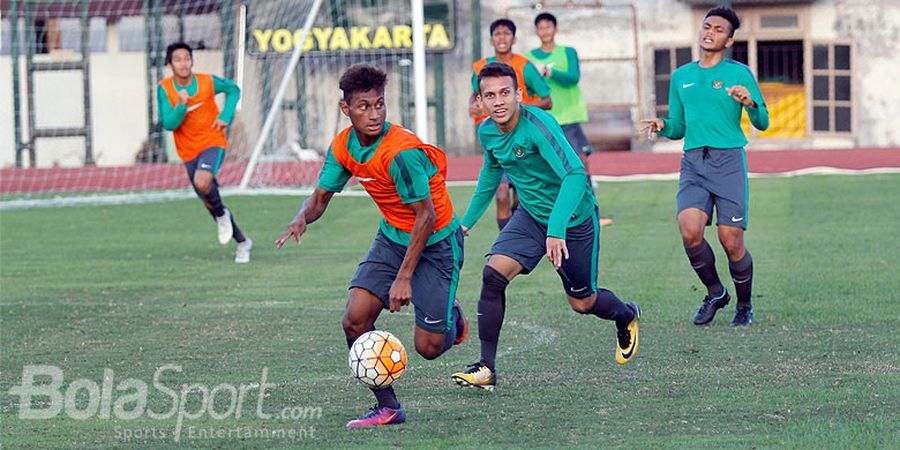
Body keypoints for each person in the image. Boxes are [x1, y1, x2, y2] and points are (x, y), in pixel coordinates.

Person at [275, 64, 468, 426]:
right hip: (393, 238)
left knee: (429, 348)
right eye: (364, 106)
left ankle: (453, 321)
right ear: (345, 109)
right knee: (354, 320)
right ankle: (389, 407)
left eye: (380, 104)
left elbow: (425, 217)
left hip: (438, 242)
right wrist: (302, 216)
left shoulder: (401, 152)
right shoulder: (343, 146)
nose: (374, 113)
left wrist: (404, 278)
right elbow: (320, 197)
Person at [451, 63, 640, 391]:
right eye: (489, 95)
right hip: (531, 217)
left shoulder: (539, 125)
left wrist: (557, 229)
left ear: (518, 95)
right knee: (493, 275)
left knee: (582, 302)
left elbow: (576, 175)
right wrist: (466, 222)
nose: (498, 101)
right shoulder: (487, 131)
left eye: (505, 93)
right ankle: (486, 367)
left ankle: (626, 315)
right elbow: (491, 172)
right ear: (479, 101)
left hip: (573, 220)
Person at [640, 7, 768, 327]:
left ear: (729, 40)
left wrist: (749, 103)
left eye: (719, 29)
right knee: (689, 230)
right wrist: (662, 125)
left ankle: (744, 305)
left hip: (728, 162)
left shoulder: (739, 73)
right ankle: (715, 293)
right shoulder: (682, 76)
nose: (710, 32)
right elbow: (679, 127)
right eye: (706, 26)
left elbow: (763, 122)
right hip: (694, 163)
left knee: (730, 240)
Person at [158, 42, 252, 263]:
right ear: (170, 64)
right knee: (209, 199)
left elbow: (233, 90)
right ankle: (242, 242)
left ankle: (223, 217)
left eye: (187, 58)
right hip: (188, 152)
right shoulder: (164, 89)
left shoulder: (206, 82)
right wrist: (181, 105)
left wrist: (225, 116)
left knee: (202, 183)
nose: (183, 63)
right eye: (178, 59)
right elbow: (169, 124)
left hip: (212, 141)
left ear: (192, 61)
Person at [527, 12, 613, 228]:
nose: (545, 31)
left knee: (582, 165)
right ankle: (551, 214)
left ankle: (593, 213)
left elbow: (573, 78)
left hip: (570, 117)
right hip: (545, 120)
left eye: (548, 27)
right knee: (548, 169)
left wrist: (548, 71)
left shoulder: (568, 52)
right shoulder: (529, 58)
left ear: (556, 30)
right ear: (537, 31)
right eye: (541, 28)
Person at [470, 18, 552, 231]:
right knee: (501, 193)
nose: (502, 38)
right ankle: (507, 240)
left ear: (514, 38)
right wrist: (472, 106)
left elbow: (547, 100)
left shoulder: (524, 66)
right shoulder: (480, 67)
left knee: (521, 197)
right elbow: (474, 96)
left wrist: (517, 107)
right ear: (491, 39)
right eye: (498, 34)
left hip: (524, 139)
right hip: (497, 138)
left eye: (506, 34)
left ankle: (523, 234)